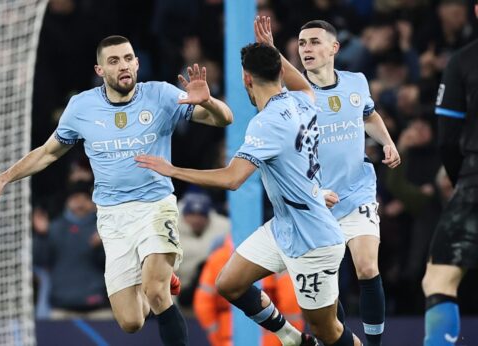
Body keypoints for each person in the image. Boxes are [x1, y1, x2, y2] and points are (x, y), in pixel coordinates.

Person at [0, 35, 234, 345]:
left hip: (155, 206)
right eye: (114, 61)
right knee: (131, 321)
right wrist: (3, 178)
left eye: (128, 58)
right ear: (100, 70)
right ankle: (159, 273)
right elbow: (47, 153)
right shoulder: (82, 107)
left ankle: (158, 275)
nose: (123, 65)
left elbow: (224, 119)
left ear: (137, 62)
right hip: (112, 217)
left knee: (156, 292)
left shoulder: (161, 95)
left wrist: (209, 102)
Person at [135, 17, 360, 345]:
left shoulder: (266, 123)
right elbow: (305, 86)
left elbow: (232, 179)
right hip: (285, 226)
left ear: (245, 79)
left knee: (329, 332)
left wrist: (173, 170)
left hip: (314, 239)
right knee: (229, 283)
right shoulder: (300, 101)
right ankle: (292, 338)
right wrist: (272, 49)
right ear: (280, 72)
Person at [296, 19, 401, 346]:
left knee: (368, 268)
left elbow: (368, 115)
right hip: (316, 201)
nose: (307, 49)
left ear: (333, 48)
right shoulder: (296, 94)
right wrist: (311, 191)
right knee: (326, 291)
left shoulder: (356, 82)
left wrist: (387, 141)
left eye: (314, 42)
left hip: (357, 192)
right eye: (301, 44)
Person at [422, 3, 478, 345]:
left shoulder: (464, 60)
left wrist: (462, 184)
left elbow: (447, 140)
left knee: (440, 279)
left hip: (475, 180)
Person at [194, 236, 303, 346]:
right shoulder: (275, 254)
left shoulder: (217, 258)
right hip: (271, 338)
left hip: (230, 338)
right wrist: (289, 335)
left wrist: (217, 338)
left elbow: (203, 305)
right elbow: (290, 302)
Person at [33, 181, 111, 319]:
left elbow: (115, 266)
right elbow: (40, 260)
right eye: (75, 198)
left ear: (93, 203)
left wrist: (104, 245)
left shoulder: (104, 228)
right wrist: (42, 236)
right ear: (67, 202)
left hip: (99, 308)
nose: (80, 203)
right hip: (61, 309)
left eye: (85, 199)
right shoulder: (54, 228)